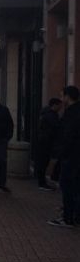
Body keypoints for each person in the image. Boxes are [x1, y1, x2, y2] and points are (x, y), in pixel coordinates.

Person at [48, 86, 80, 227]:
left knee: (67, 185)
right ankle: (74, 215)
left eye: (62, 96)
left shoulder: (72, 113)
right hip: (75, 154)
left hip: (71, 155)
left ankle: (68, 218)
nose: (61, 99)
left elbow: (68, 136)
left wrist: (59, 155)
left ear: (68, 97)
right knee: (75, 186)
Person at [37, 98, 62, 191]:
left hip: (45, 141)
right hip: (46, 142)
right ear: (54, 105)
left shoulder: (46, 114)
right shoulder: (50, 115)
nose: (60, 108)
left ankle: (43, 181)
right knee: (43, 162)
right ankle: (42, 183)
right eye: (59, 105)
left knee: (43, 162)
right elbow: (56, 128)